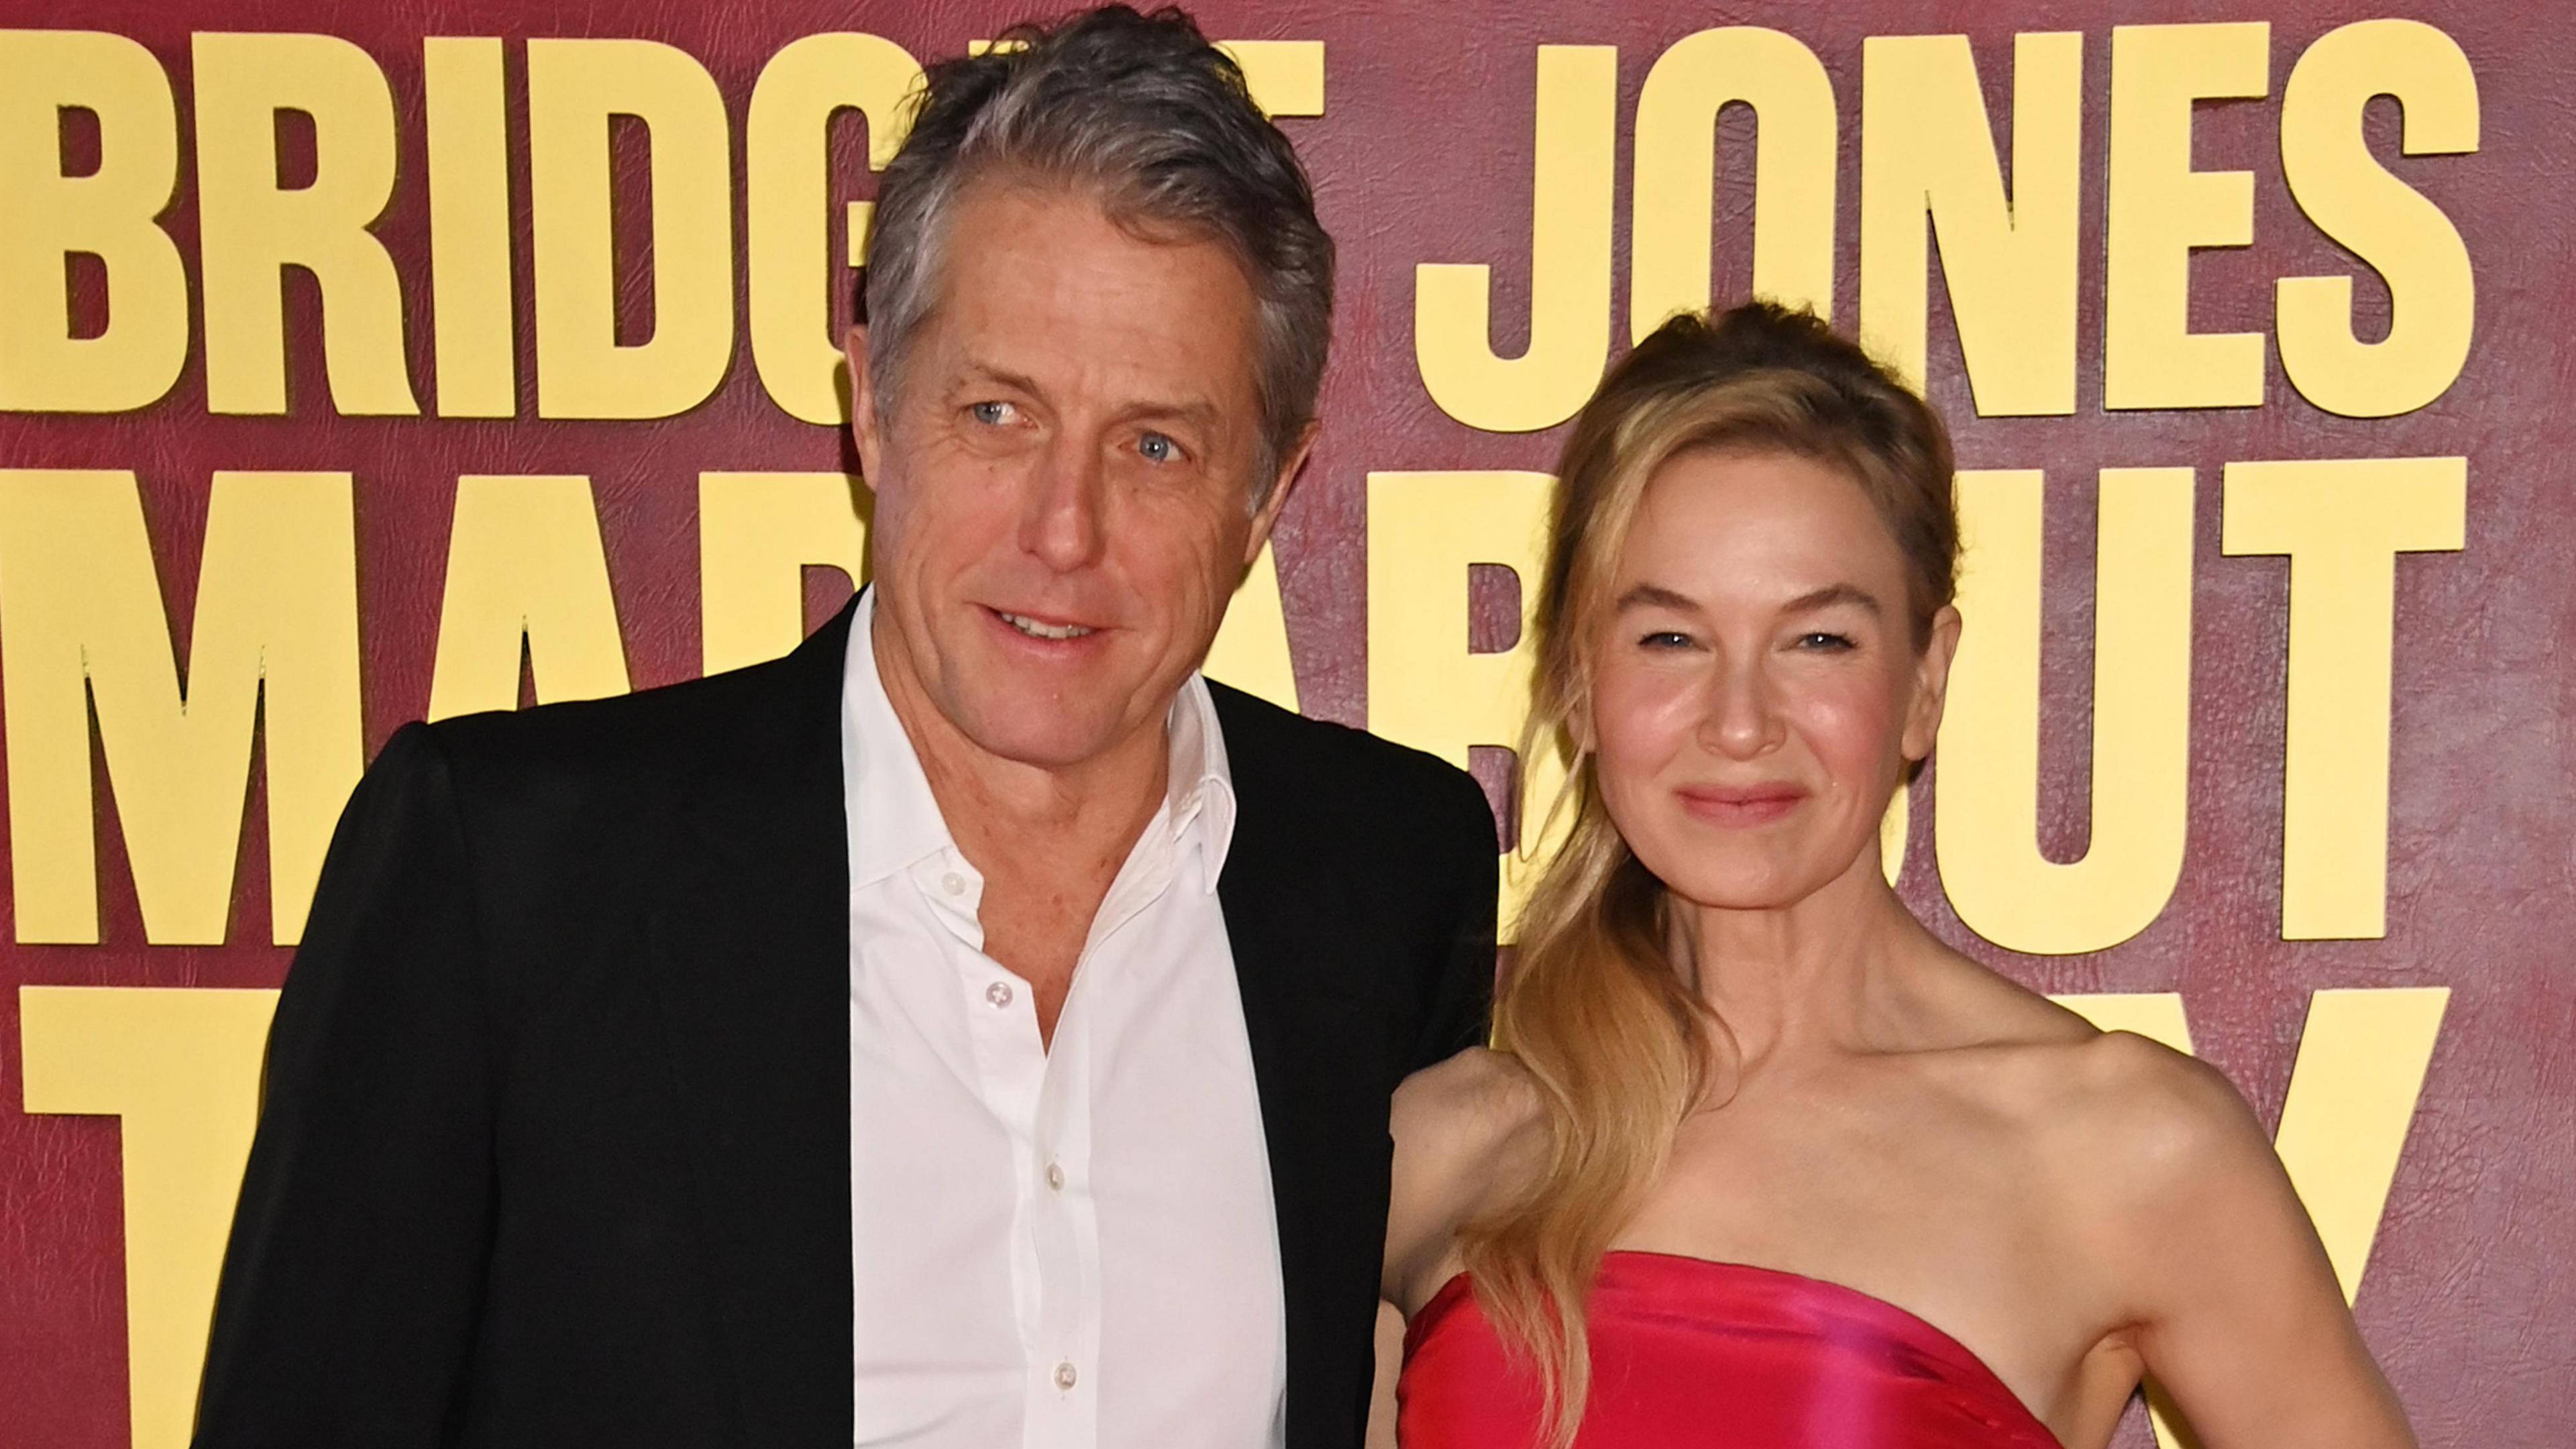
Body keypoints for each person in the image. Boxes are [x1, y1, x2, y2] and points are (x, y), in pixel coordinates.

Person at [193, 10, 1496, 1449]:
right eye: (998, 413)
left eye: (1156, 446)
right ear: (873, 409)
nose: (1066, 531)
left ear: (1269, 493)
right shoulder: (506, 878)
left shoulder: (1393, 869)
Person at [1381, 303, 2414, 1449]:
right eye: (1668, 638)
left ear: (1927, 681)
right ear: (1579, 680)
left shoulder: (2122, 1151)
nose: (1739, 722)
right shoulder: (1440, 1148)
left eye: (1819, 640)